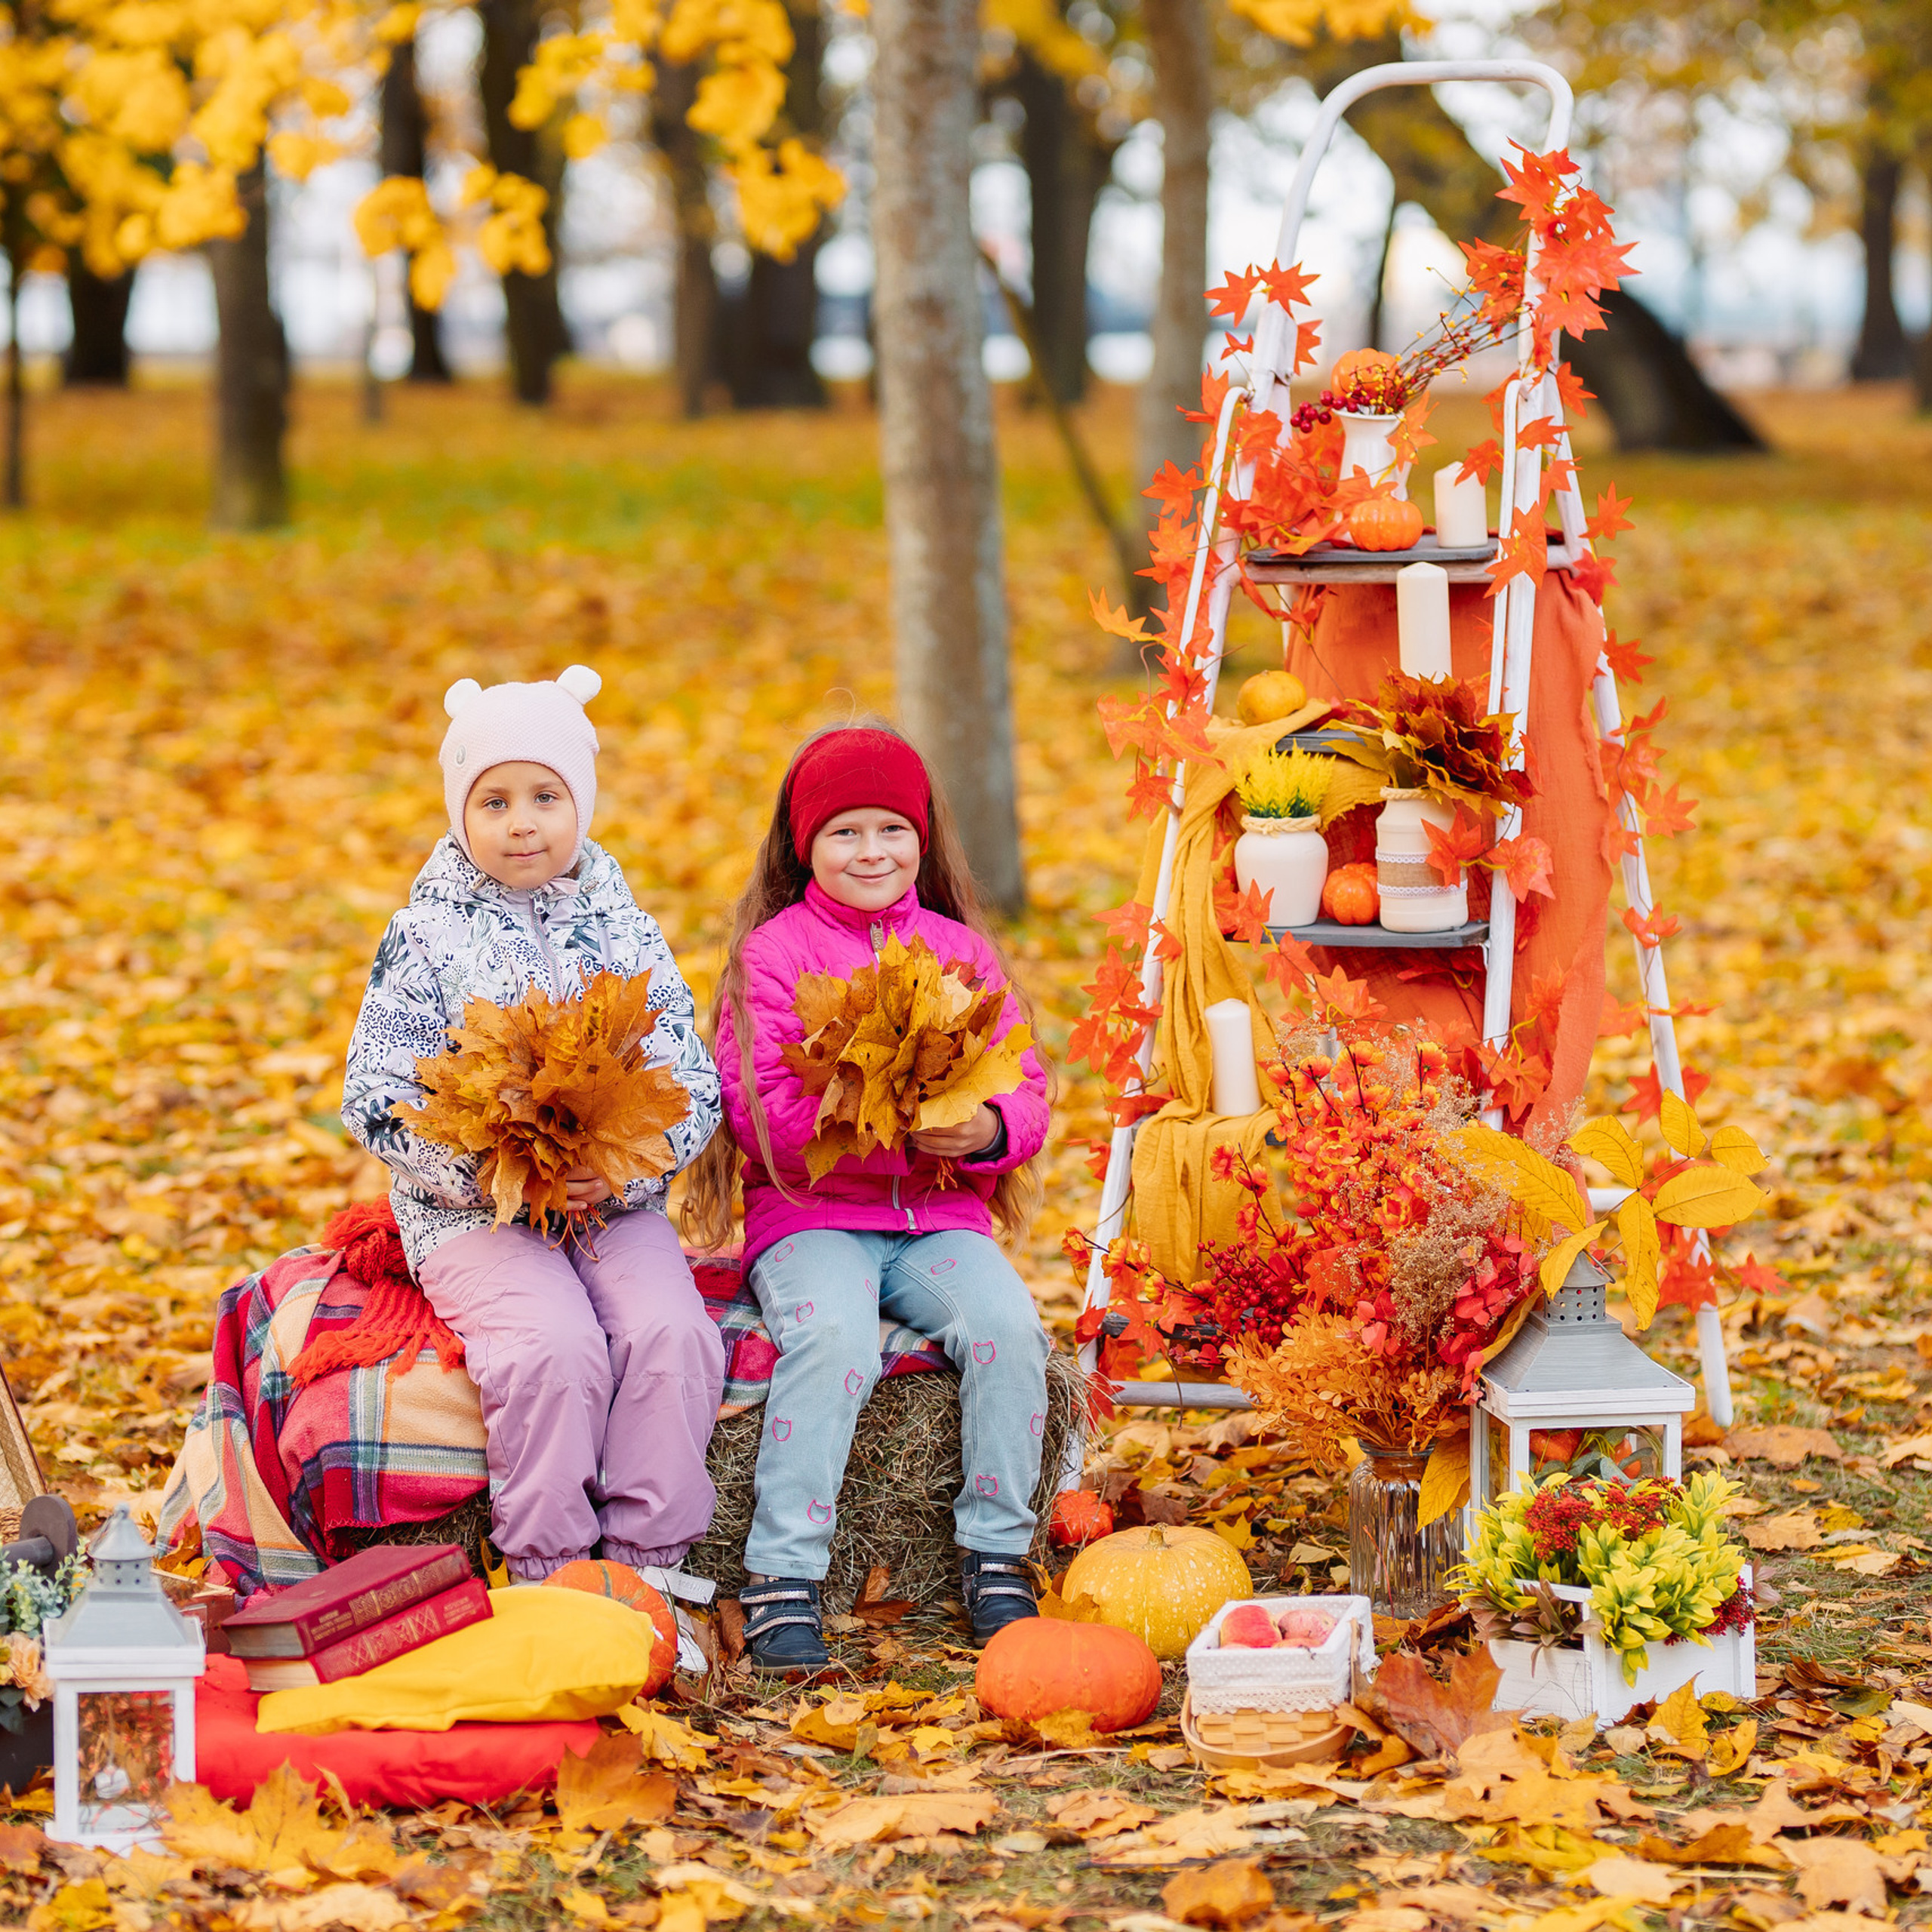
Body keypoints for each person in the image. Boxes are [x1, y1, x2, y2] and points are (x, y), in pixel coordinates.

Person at [342, 666, 724, 1609]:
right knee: (554, 1350)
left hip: (610, 1203)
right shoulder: (423, 935)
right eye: (496, 799)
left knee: (671, 1334)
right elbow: (375, 1096)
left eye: (546, 797)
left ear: (580, 804)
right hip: (475, 1214)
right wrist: (485, 1175)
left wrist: (632, 1161)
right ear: (459, 812)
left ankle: (649, 1567)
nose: (523, 822)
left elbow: (693, 1080)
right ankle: (552, 1576)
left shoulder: (627, 931)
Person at [684, 723, 1052, 1669]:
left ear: (921, 840)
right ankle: (782, 1574)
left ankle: (996, 1552)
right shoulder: (773, 954)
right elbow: (753, 1098)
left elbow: (1025, 1083)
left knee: (1008, 1330)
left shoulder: (959, 949)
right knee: (833, 1335)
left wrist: (986, 1131)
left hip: (938, 1215)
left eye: (891, 829)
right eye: (846, 832)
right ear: (806, 844)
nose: (871, 851)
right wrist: (863, 1106)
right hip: (810, 1217)